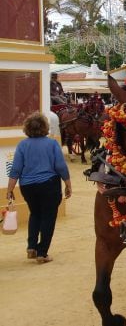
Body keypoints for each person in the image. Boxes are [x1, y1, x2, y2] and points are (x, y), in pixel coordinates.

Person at [6, 112, 72, 263]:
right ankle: (42, 253)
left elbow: (15, 169)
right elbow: (60, 166)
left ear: (27, 128)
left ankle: (31, 247)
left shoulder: (22, 145)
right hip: (49, 185)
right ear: (45, 127)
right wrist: (68, 184)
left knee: (35, 214)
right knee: (48, 217)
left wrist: (10, 190)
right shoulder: (52, 144)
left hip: (28, 186)